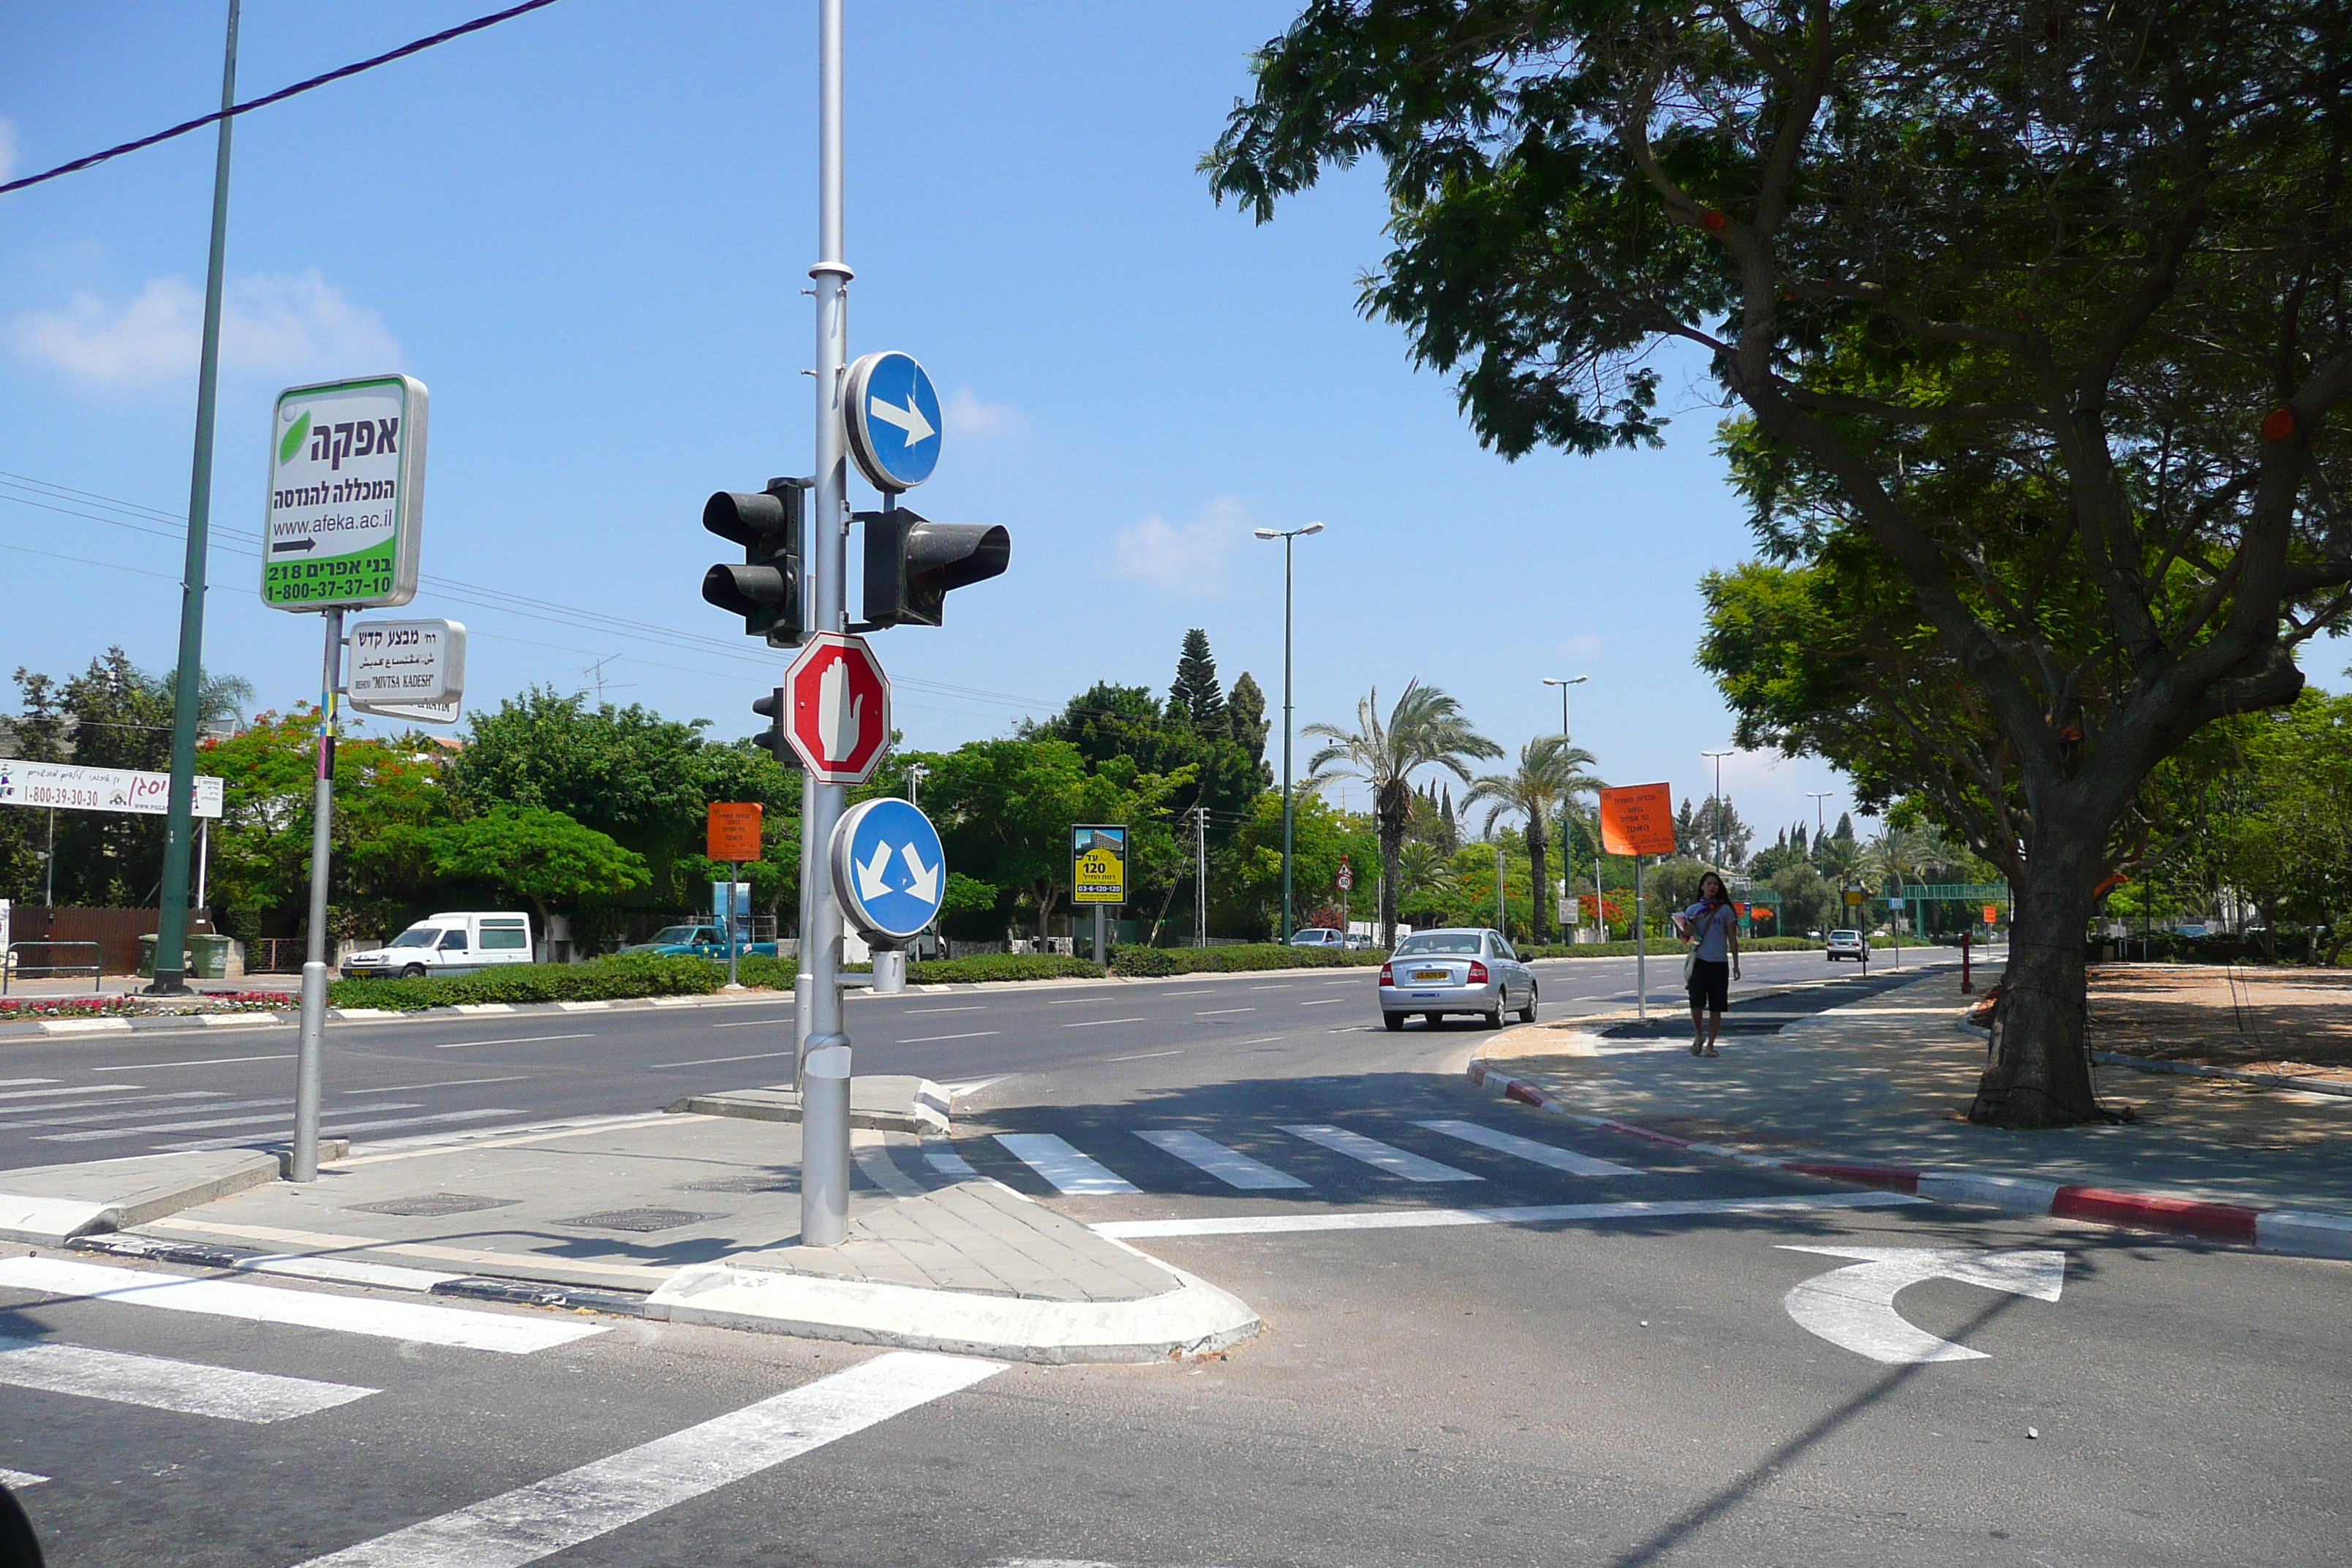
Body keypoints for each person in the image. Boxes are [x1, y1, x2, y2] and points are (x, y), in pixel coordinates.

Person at [1676, 870, 1742, 1056]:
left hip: (1719, 964)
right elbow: (1685, 940)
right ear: (1702, 887)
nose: (1713, 887)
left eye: (1716, 884)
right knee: (1696, 1004)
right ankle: (1699, 1035)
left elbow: (1732, 938)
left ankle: (1711, 1045)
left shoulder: (1726, 910)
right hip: (1699, 962)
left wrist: (1736, 964)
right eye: (1709, 883)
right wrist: (1687, 931)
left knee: (1716, 1006)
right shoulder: (1693, 910)